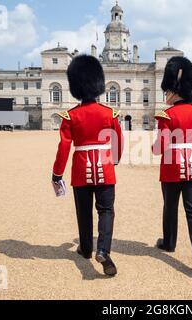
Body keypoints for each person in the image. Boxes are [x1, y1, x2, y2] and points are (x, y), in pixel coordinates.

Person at [51, 54, 123, 276]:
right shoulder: (109, 113)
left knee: (83, 212)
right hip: (105, 167)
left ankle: (85, 248)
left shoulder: (71, 116)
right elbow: (117, 140)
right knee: (106, 211)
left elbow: (64, 147)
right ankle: (103, 249)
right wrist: (115, 159)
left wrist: (57, 174)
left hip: (81, 169)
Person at [152, 56, 192, 274]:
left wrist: (154, 148)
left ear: (175, 90)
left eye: (167, 91)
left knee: (170, 207)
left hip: (171, 168)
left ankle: (169, 242)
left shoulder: (166, 115)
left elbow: (161, 146)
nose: (166, 95)